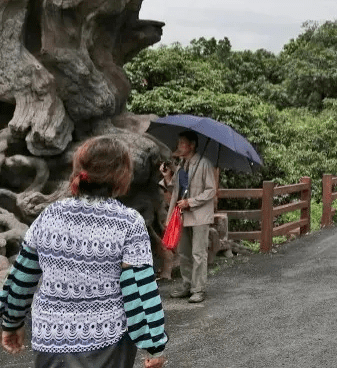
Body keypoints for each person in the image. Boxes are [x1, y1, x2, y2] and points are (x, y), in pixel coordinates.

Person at [0, 136, 168, 368]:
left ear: (79, 170)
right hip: (107, 346)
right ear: (122, 176)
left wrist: (11, 322)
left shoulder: (50, 216)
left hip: (51, 344)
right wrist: (154, 344)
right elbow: (139, 290)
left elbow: (21, 276)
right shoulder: (128, 223)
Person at [167, 130, 217, 303]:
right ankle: (187, 285)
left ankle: (199, 289)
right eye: (179, 142)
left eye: (182, 143)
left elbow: (211, 191)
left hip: (200, 215)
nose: (179, 146)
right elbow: (176, 189)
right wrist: (168, 176)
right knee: (184, 253)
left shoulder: (204, 163)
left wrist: (191, 201)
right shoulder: (182, 164)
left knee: (198, 253)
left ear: (192, 145)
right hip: (183, 215)